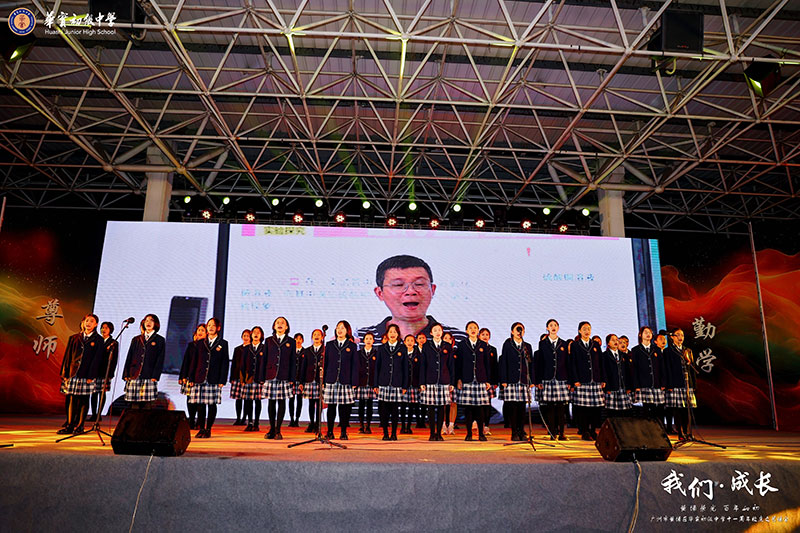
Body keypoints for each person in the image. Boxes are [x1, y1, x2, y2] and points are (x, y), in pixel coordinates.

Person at [357, 255, 466, 343]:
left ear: (432, 290)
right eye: (398, 285)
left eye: (419, 284)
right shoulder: (359, 339)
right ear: (380, 293)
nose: (410, 291)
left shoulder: (460, 340)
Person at [58, 314, 103, 434]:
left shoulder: (98, 340)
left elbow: (97, 360)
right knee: (71, 399)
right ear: (83, 322)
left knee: (84, 399)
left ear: (96, 324)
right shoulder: (74, 338)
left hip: (86, 374)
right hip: (73, 373)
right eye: (87, 321)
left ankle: (80, 426)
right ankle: (69, 425)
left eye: (92, 321)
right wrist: (65, 373)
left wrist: (91, 376)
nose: (88, 323)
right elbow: (68, 356)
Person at [187, 317, 229, 438]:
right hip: (199, 377)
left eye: (213, 325)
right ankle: (201, 428)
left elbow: (224, 363)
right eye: (209, 325)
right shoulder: (200, 343)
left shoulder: (223, 343)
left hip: (214, 378)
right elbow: (194, 361)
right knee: (200, 404)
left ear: (218, 328)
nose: (210, 327)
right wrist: (191, 378)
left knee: (211, 404)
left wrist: (222, 380)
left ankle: (208, 429)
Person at [567, 321, 605, 441]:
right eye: (584, 329)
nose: (587, 331)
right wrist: (575, 379)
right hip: (582, 381)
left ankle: (593, 430)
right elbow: (572, 363)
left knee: (595, 408)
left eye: (588, 328)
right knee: (583, 408)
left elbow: (601, 363)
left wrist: (603, 379)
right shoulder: (575, 345)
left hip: (595, 380)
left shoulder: (595, 344)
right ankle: (584, 431)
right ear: (579, 331)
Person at [454, 321, 491, 441]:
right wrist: (458, 379)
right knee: (468, 408)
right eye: (470, 328)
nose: (473, 330)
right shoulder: (462, 344)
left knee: (480, 408)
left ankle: (481, 433)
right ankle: (469, 433)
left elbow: (487, 364)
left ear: (478, 330)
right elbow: (458, 363)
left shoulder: (483, 345)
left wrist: (488, 380)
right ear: (466, 331)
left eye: (475, 328)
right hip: (467, 379)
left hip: (480, 379)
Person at [259, 317, 295, 440]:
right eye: (277, 323)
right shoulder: (269, 341)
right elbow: (264, 359)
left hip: (284, 376)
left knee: (282, 402)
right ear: (274, 326)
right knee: (271, 402)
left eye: (282, 323)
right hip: (270, 375)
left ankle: (278, 429)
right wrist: (262, 377)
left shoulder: (291, 341)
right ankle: (272, 429)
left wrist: (292, 378)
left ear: (286, 327)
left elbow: (293, 361)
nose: (280, 324)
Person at [534, 319, 570, 440]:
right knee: (550, 407)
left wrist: (569, 380)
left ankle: (562, 432)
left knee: (561, 407)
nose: (553, 327)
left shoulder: (563, 343)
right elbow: (540, 363)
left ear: (558, 328)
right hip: (547, 378)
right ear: (547, 328)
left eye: (555, 325)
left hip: (561, 378)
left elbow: (567, 362)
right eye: (551, 325)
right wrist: (539, 381)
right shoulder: (542, 343)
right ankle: (552, 432)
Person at [323, 321, 359, 440]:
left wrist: (354, 382)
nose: (339, 330)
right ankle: (330, 431)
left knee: (344, 408)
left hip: (346, 380)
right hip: (331, 380)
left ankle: (343, 432)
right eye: (338, 327)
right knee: (331, 407)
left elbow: (355, 365)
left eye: (342, 328)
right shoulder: (329, 345)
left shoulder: (352, 346)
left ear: (347, 331)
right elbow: (326, 363)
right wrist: (323, 381)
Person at [419, 323, 454, 441]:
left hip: (444, 380)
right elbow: (423, 365)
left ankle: (439, 433)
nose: (438, 332)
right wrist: (422, 382)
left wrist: (452, 382)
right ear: (431, 333)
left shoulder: (447, 346)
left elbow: (451, 365)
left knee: (441, 408)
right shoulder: (426, 346)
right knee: (430, 408)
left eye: (439, 330)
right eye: (435, 330)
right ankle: (432, 433)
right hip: (430, 380)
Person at [122, 314, 165, 409]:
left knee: (147, 405)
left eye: (151, 320)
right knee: (134, 404)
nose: (148, 323)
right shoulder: (136, 339)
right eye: (146, 320)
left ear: (156, 323)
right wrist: (126, 374)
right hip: (134, 374)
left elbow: (160, 359)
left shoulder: (160, 340)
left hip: (149, 375)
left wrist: (155, 376)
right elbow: (129, 357)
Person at [499, 322, 534, 442]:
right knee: (512, 407)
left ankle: (521, 430)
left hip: (523, 380)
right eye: (517, 329)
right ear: (512, 332)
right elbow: (504, 362)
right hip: (511, 380)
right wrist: (503, 379)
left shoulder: (527, 346)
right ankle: (514, 432)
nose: (519, 332)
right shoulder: (508, 345)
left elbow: (531, 364)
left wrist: (531, 380)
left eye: (521, 329)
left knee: (522, 407)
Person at [373, 324, 408, 440]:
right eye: (390, 332)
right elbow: (377, 367)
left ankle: (393, 433)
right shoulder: (381, 348)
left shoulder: (402, 348)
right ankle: (385, 433)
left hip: (397, 383)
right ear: (387, 334)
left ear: (398, 334)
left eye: (395, 332)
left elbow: (405, 368)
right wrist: (375, 384)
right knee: (383, 410)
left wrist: (405, 385)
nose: (392, 334)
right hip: (383, 383)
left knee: (395, 410)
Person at [664, 328, 697, 441]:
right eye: (677, 335)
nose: (680, 337)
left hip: (687, 383)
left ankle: (687, 432)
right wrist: (669, 385)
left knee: (687, 409)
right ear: (672, 337)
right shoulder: (668, 351)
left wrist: (694, 384)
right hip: (675, 384)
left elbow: (692, 369)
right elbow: (667, 369)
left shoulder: (687, 350)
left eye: (682, 335)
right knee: (678, 409)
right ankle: (680, 433)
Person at [630, 326, 666, 422]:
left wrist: (663, 382)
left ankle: (658, 427)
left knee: (657, 409)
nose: (648, 334)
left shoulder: (657, 349)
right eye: (645, 332)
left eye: (649, 332)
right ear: (640, 335)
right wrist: (636, 385)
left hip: (656, 383)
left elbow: (662, 367)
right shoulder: (636, 350)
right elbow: (634, 369)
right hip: (643, 384)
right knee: (646, 409)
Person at [89, 321, 118, 422]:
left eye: (106, 328)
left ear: (110, 330)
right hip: (95, 371)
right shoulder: (97, 340)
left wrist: (111, 373)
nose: (103, 329)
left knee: (102, 393)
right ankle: (93, 414)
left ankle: (99, 414)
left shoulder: (113, 343)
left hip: (105, 371)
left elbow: (114, 360)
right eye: (102, 327)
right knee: (93, 393)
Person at [180, 324, 207, 429]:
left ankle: (200, 421)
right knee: (190, 399)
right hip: (189, 375)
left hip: (201, 376)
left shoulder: (207, 346)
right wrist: (182, 376)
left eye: (202, 330)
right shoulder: (191, 345)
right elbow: (186, 361)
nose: (200, 332)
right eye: (198, 330)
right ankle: (191, 420)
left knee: (201, 401)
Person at [241, 326, 265, 432]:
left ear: (261, 335)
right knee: (248, 401)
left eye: (258, 332)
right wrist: (242, 379)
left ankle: (256, 422)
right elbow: (242, 365)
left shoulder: (264, 348)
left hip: (259, 379)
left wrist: (264, 378)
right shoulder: (246, 348)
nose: (256, 334)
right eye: (254, 332)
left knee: (257, 401)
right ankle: (250, 422)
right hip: (248, 379)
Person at [300, 329, 324, 434]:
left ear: (322, 337)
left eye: (318, 334)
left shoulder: (325, 350)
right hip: (309, 380)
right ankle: (311, 423)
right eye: (314, 334)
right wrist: (301, 382)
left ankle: (318, 424)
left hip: (320, 380)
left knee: (319, 403)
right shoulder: (307, 350)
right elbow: (303, 367)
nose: (316, 336)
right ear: (312, 337)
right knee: (311, 403)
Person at [602, 334, 632, 417]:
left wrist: (629, 387)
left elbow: (628, 372)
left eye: (616, 340)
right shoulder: (604, 355)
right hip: (612, 387)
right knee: (612, 413)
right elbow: (604, 372)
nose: (615, 342)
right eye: (613, 340)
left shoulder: (623, 355)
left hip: (623, 387)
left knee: (625, 413)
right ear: (608, 343)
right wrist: (607, 388)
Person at [356, 332, 377, 434]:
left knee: (369, 405)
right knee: (361, 405)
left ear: (373, 341)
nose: (368, 340)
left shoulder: (376, 353)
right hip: (361, 382)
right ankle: (361, 425)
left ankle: (368, 425)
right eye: (367, 338)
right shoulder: (358, 353)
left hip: (372, 383)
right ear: (363, 341)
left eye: (370, 339)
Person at [229, 329, 251, 426]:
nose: (246, 338)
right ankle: (238, 417)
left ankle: (244, 418)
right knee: (238, 399)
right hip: (237, 376)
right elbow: (234, 363)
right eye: (244, 335)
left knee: (247, 399)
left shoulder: (252, 349)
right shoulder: (237, 349)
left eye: (247, 336)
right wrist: (231, 377)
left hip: (247, 378)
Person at [400, 334, 420, 434]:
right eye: (408, 340)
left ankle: (409, 426)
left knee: (412, 407)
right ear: (404, 342)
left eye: (412, 340)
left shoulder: (418, 354)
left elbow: (421, 370)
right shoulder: (401, 353)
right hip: (404, 384)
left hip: (414, 384)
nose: (409, 342)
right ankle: (403, 426)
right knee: (403, 406)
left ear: (414, 342)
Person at [479, 327, 498, 435]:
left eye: (487, 335)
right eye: (483, 334)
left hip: (489, 381)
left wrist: (495, 382)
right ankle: (478, 424)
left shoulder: (493, 350)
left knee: (487, 404)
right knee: (478, 405)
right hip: (479, 380)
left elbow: (495, 366)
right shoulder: (476, 348)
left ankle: (486, 425)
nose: (485, 336)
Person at [443, 331, 459, 435]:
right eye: (445, 338)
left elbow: (459, 367)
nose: (447, 340)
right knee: (443, 404)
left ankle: (451, 426)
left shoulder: (456, 352)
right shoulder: (439, 351)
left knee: (453, 403)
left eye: (449, 338)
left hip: (454, 380)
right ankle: (443, 425)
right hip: (443, 380)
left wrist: (458, 380)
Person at [288, 333, 305, 428]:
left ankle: (297, 419)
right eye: (296, 339)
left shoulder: (305, 351)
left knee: (299, 400)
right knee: (291, 399)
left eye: (300, 339)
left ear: (302, 340)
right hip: (291, 379)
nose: (298, 341)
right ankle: (291, 419)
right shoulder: (290, 351)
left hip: (300, 379)